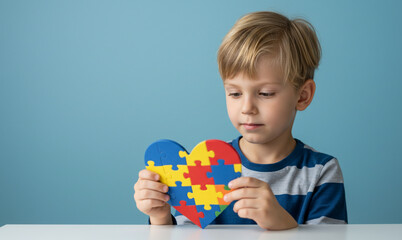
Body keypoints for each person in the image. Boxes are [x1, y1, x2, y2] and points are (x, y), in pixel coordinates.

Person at [134, 11, 347, 230]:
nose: (247, 108)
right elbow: (187, 231)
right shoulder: (209, 164)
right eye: (235, 93)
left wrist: (284, 225)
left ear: (302, 96)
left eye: (265, 93)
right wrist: (160, 216)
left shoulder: (322, 172)